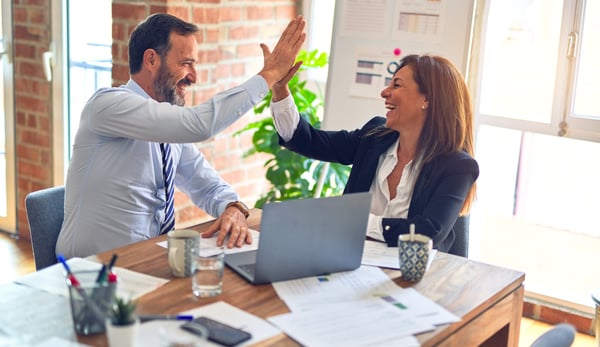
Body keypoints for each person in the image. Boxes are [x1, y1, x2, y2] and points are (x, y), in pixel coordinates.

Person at [56, 13, 306, 258]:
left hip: (147, 263)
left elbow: (207, 185)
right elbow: (200, 125)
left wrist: (233, 208)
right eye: (186, 63)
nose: (194, 77)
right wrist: (269, 75)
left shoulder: (168, 129)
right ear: (151, 60)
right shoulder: (108, 105)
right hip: (90, 273)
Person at [269, 54, 479, 254]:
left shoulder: (457, 166)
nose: (385, 92)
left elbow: (427, 232)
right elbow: (308, 141)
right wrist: (280, 89)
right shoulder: (375, 136)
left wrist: (356, 220)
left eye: (396, 85)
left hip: (416, 279)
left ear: (426, 99)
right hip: (350, 263)